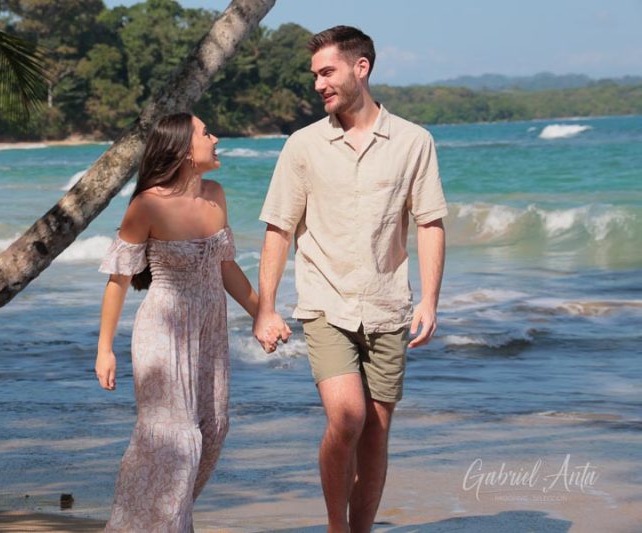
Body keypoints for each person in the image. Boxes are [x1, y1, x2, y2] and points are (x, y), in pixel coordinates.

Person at [253, 26, 447, 532]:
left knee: (377, 434)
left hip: (388, 306)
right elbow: (279, 228)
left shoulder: (413, 142)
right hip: (324, 304)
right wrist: (266, 308)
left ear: (361, 68)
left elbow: (429, 222)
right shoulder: (303, 145)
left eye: (327, 72)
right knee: (347, 417)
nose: (318, 84)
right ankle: (335, 528)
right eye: (315, 75)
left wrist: (430, 299)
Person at [95, 112, 258, 532]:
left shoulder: (216, 195)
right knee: (175, 440)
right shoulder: (147, 205)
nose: (215, 138)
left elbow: (226, 268)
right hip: (163, 332)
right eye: (206, 133)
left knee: (211, 430)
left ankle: (155, 522)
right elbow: (118, 281)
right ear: (185, 149)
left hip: (209, 331)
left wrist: (263, 314)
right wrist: (104, 349)